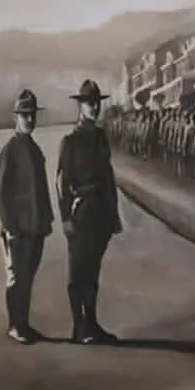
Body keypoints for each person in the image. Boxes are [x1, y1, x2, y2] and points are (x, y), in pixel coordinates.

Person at [57, 78, 122, 343]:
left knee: (93, 272)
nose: (93, 107)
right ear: (80, 106)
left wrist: (114, 214)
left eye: (96, 103)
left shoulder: (100, 136)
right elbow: (62, 181)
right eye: (88, 103)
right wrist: (65, 218)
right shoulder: (70, 140)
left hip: (101, 211)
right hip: (80, 209)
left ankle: (92, 324)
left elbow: (108, 176)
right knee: (78, 272)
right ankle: (79, 327)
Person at [0, 87, 53, 345]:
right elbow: (0, 193)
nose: (30, 119)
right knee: (17, 277)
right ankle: (15, 326)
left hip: (36, 226)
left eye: (32, 115)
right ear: (15, 118)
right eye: (25, 115)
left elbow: (41, 189)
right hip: (17, 228)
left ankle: (24, 323)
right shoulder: (11, 150)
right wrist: (9, 226)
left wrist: (47, 219)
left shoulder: (34, 148)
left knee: (28, 276)